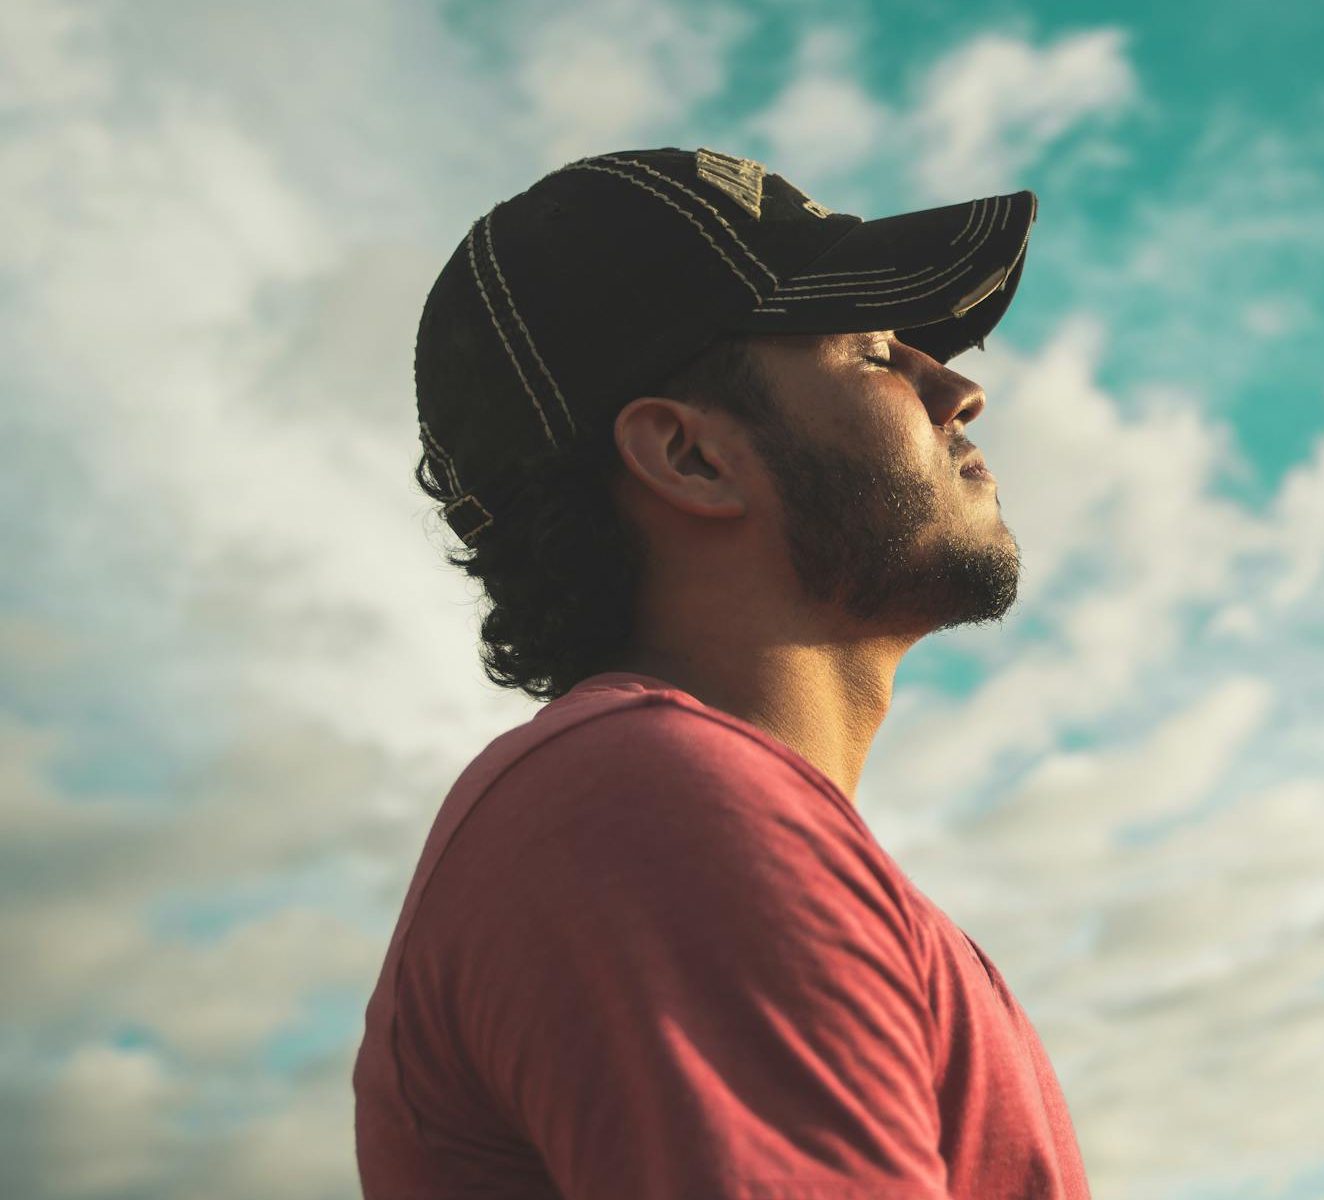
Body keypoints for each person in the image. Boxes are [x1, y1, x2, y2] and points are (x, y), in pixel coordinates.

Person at [352, 146, 1090, 1199]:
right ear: (691, 458)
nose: (958, 389)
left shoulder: (680, 814)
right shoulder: (651, 804)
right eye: (876, 349)